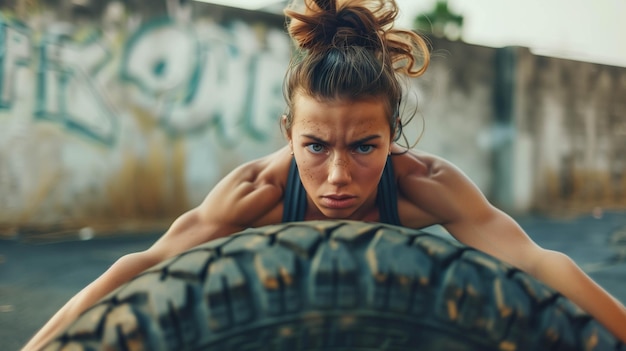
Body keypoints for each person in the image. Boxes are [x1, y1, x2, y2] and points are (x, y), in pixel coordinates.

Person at [24, 0, 626, 349]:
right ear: (288, 133)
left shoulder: (424, 185)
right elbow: (141, 269)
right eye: (314, 146)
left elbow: (538, 262)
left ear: (394, 139)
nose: (338, 175)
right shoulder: (259, 191)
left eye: (365, 146)